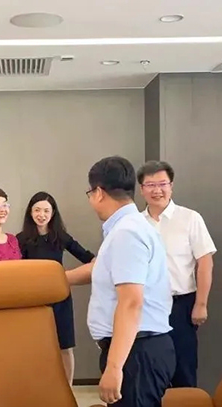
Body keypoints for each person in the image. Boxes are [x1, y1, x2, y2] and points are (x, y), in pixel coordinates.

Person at [66, 156, 174, 407]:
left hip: (137, 352)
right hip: (135, 349)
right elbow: (102, 269)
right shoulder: (128, 227)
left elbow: (131, 302)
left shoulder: (127, 233)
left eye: (90, 194)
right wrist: (57, 279)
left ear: (98, 192)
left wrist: (114, 367)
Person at [136, 160, 216, 389]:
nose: (157, 190)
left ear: (171, 186)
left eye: (162, 184)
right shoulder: (135, 223)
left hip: (181, 305)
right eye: (150, 185)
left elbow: (205, 262)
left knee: (183, 367)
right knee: (148, 367)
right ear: (141, 189)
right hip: (145, 306)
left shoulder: (190, 218)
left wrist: (201, 304)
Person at [17, 191, 95, 385]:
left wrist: (67, 276)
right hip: (34, 300)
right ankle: (40, 387)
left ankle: (67, 388)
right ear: (30, 212)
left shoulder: (61, 237)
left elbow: (89, 258)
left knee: (64, 346)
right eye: (37, 210)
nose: (41, 215)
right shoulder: (21, 239)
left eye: (46, 210)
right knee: (35, 347)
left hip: (60, 298)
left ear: (53, 213)